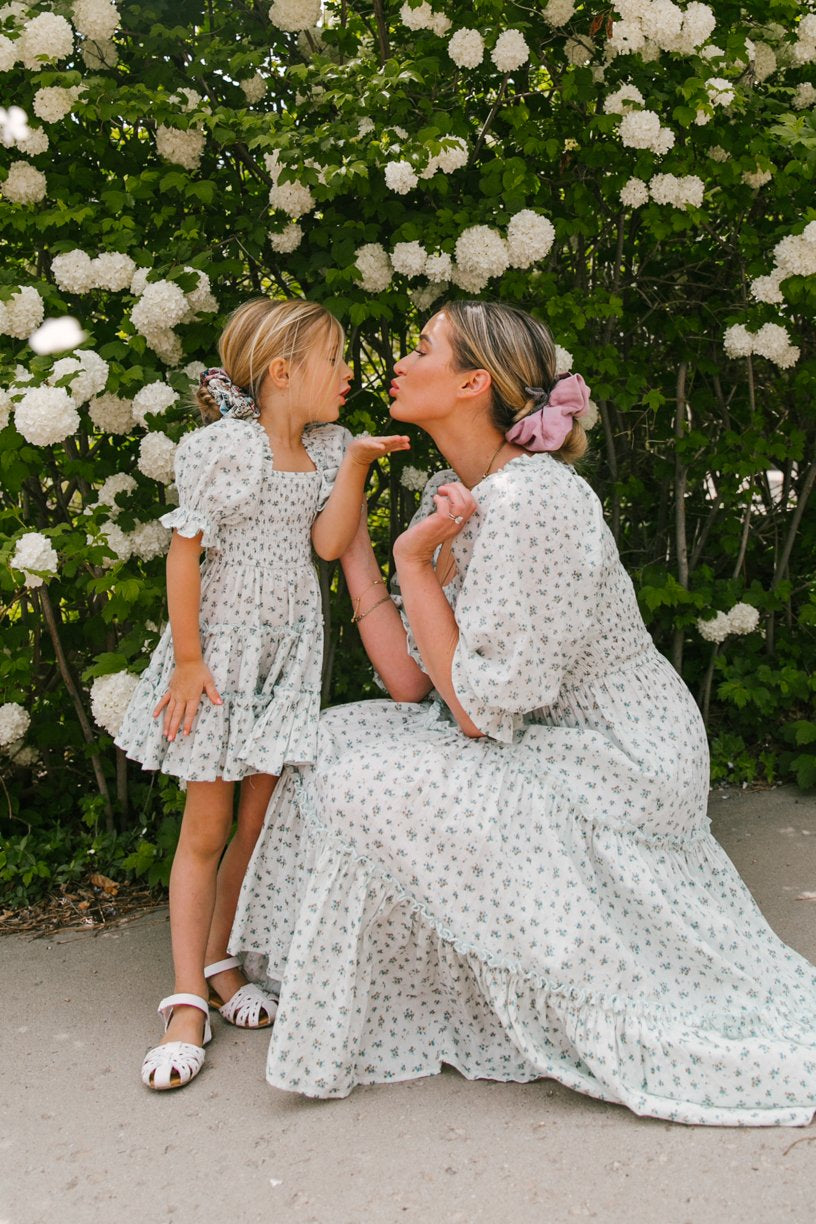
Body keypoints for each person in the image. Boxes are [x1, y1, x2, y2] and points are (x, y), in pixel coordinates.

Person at [230, 300, 816, 1126]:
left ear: (474, 382)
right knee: (332, 740)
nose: (401, 359)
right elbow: (411, 683)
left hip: (615, 755)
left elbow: (474, 714)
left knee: (369, 780)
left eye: (423, 346)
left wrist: (414, 563)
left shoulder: (534, 502)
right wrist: (365, 545)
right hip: (526, 725)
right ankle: (393, 998)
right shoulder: (462, 493)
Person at [116, 297, 409, 1090]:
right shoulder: (224, 450)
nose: (351, 375)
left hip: (286, 661)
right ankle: (184, 1001)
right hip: (222, 660)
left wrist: (352, 469)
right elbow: (185, 552)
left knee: (257, 817)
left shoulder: (324, 449)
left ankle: (221, 959)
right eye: (337, 360)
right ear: (284, 371)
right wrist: (186, 659)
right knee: (206, 825)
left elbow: (325, 541)